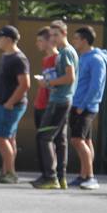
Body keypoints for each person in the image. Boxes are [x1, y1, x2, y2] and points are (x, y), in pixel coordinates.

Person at [32, 20, 78, 189]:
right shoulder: (66, 52)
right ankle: (61, 177)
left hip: (59, 101)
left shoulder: (65, 52)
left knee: (44, 137)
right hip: (62, 99)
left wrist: (48, 83)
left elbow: (69, 77)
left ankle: (51, 177)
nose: (53, 38)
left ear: (64, 34)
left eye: (56, 35)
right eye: (51, 35)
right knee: (60, 139)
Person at [0, 25, 30, 184]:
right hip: (1, 104)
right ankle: (5, 172)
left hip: (11, 106)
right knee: (9, 138)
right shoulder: (5, 56)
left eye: (0, 37)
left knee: (0, 137)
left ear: (8, 39)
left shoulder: (19, 59)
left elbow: (25, 84)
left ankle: (11, 173)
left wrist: (10, 103)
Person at [69, 26, 107, 190]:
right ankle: (83, 175)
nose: (74, 41)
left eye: (76, 39)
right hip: (77, 105)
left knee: (77, 140)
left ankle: (90, 177)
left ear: (84, 40)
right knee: (85, 140)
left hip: (86, 107)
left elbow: (95, 86)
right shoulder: (82, 57)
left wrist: (83, 105)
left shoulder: (96, 60)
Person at [33, 26, 60, 177]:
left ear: (50, 41)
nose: (38, 44)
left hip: (51, 106)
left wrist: (47, 83)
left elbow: (58, 82)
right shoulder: (45, 59)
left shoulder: (57, 58)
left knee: (48, 139)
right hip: (40, 104)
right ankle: (44, 173)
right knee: (41, 139)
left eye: (40, 41)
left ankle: (52, 174)